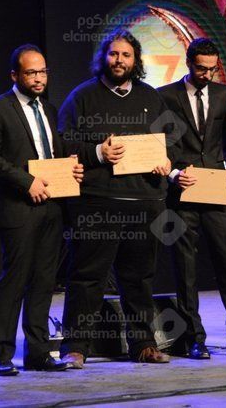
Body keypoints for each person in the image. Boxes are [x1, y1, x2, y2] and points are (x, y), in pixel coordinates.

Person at [58, 29, 176, 368]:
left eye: (126, 55)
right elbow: (62, 144)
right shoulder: (82, 97)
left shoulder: (151, 97)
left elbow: (169, 141)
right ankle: (75, 346)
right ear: (103, 58)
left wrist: (166, 162)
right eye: (113, 54)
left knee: (139, 279)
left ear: (135, 60)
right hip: (97, 202)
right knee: (87, 278)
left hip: (144, 203)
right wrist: (98, 152)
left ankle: (143, 344)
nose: (119, 60)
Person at [0, 44, 83, 375]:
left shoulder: (49, 109)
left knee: (43, 281)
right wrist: (27, 182)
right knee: (15, 280)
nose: (39, 78)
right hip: (17, 207)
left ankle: (38, 352)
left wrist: (71, 168)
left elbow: (54, 154)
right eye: (31, 73)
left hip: (52, 206)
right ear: (15, 75)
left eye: (43, 72)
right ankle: (1, 354)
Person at [157, 38, 226, 359]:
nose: (206, 74)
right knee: (186, 269)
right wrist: (174, 174)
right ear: (189, 63)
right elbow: (160, 144)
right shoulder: (166, 96)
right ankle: (194, 339)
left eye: (212, 69)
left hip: (217, 190)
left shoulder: (223, 94)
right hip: (183, 191)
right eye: (201, 69)